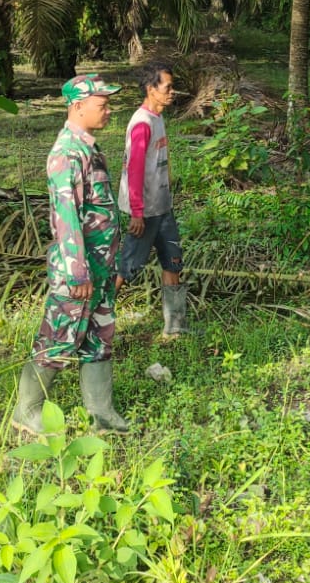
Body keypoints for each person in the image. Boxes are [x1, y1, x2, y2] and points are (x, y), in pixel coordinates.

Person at [14, 73, 130, 435]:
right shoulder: (66, 154)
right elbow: (66, 219)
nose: (109, 111)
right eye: (102, 104)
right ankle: (27, 411)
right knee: (59, 337)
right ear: (77, 107)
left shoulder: (89, 148)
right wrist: (78, 273)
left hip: (100, 268)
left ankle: (101, 413)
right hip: (79, 272)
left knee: (99, 337)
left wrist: (109, 265)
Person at [114, 63, 190, 337]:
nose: (172, 92)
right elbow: (134, 171)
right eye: (167, 87)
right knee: (127, 267)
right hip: (145, 212)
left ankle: (175, 326)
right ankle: (95, 321)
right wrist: (137, 212)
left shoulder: (157, 118)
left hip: (162, 207)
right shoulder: (142, 124)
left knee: (173, 260)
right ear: (151, 89)